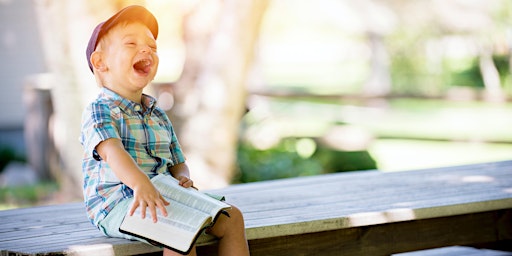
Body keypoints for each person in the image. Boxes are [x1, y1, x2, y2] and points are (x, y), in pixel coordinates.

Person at [79, 5, 249, 256]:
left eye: (152, 46)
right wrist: (140, 184)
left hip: (164, 194)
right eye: (131, 44)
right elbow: (113, 153)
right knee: (180, 232)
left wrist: (182, 177)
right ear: (100, 62)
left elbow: (177, 161)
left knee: (232, 217)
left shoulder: (157, 113)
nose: (146, 49)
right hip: (118, 203)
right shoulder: (100, 110)